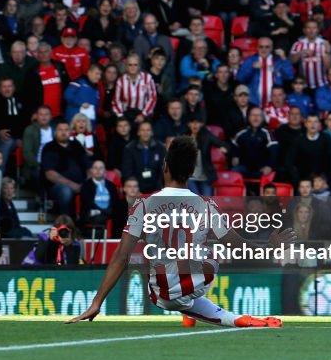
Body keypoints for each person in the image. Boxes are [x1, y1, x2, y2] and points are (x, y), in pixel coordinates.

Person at [68, 136, 293, 327]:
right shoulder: (206, 205)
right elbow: (238, 246)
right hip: (196, 283)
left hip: (160, 292)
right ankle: (223, 316)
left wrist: (97, 303)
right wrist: (269, 248)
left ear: (165, 166)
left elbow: (121, 256)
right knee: (211, 249)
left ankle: (206, 312)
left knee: (165, 262)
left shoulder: (143, 204)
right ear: (191, 172)